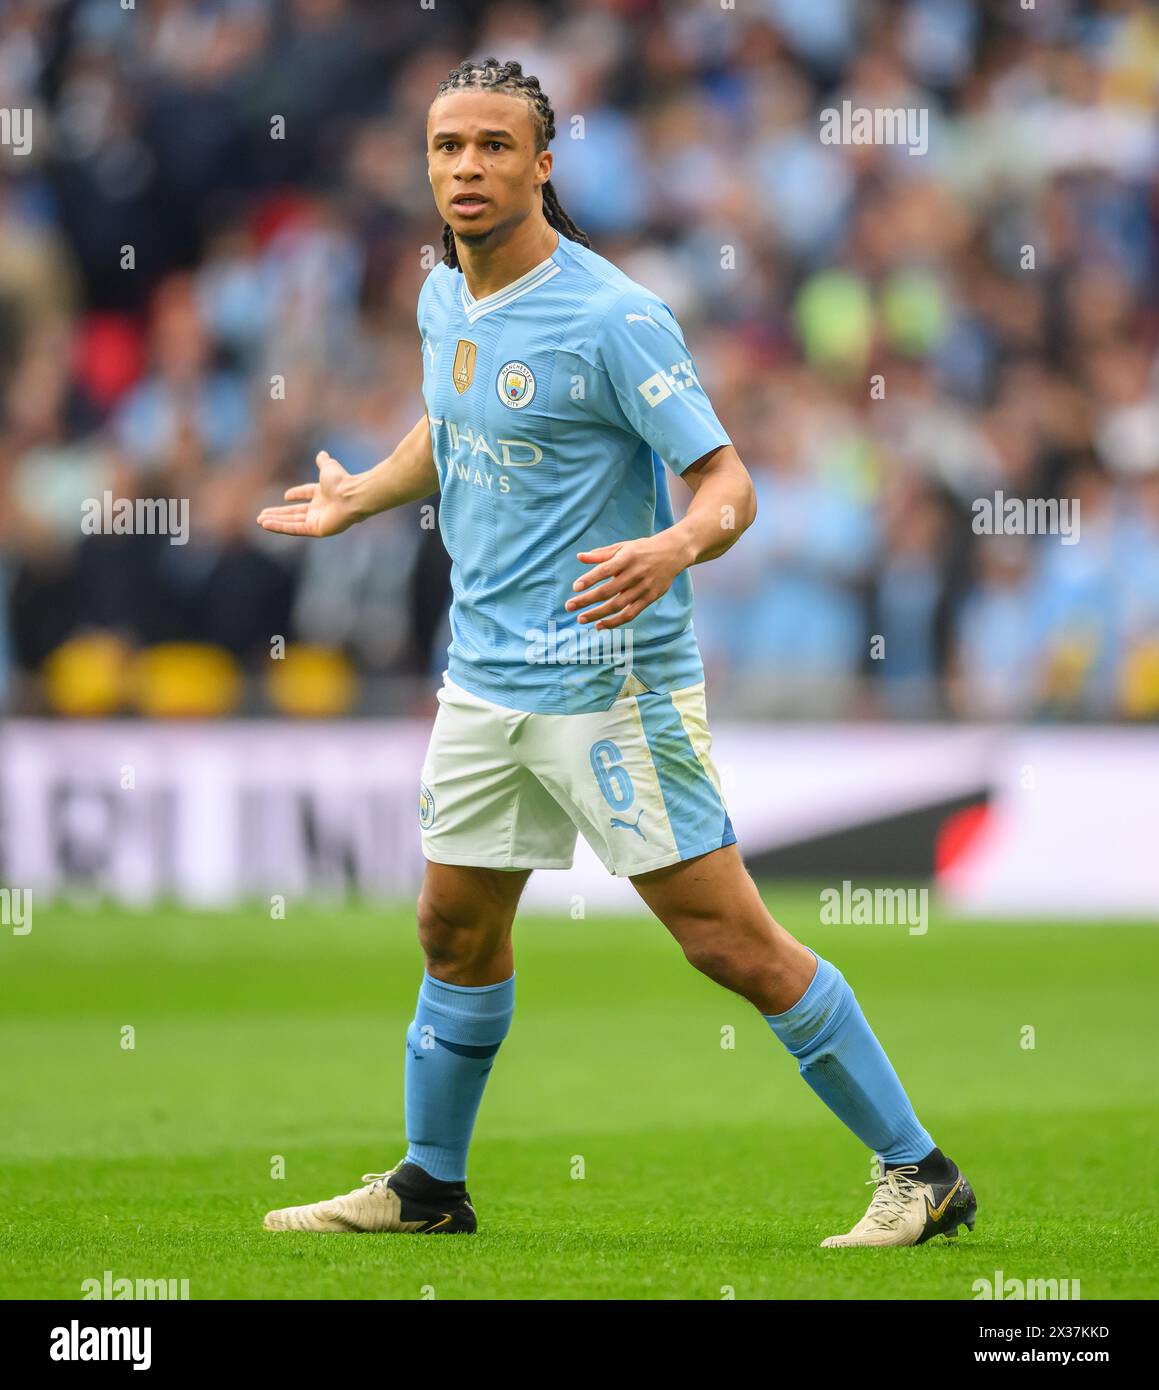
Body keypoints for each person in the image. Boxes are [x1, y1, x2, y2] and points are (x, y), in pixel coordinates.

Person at [257, 57, 975, 1248]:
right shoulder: (445, 292)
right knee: (453, 926)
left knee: (725, 940)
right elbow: (454, 416)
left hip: (609, 681)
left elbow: (728, 482)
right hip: (483, 676)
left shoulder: (612, 314)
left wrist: (673, 548)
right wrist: (363, 497)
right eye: (447, 148)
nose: (467, 168)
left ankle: (921, 1170)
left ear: (543, 163)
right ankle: (431, 1186)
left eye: (493, 146)